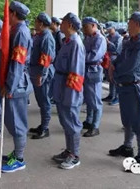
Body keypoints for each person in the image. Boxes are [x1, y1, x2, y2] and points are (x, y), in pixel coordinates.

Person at [108, 12, 140, 168]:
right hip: (125, 86)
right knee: (127, 119)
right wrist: (114, 65)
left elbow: (131, 65)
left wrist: (116, 70)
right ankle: (127, 147)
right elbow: (121, 57)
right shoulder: (130, 41)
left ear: (137, 24)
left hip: (136, 87)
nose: (128, 24)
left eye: (130, 22)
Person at [1, 1, 33, 173]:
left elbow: (18, 62)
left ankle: (19, 158)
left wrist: (10, 85)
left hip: (17, 84)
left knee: (17, 122)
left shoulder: (21, 32)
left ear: (13, 14)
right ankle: (16, 152)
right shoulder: (17, 30)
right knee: (12, 120)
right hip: (14, 82)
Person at [51, 12, 85, 170]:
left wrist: (71, 95)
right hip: (61, 85)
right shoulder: (67, 41)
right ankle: (69, 150)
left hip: (69, 88)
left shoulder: (76, 43)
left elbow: (76, 72)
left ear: (70, 25)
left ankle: (75, 155)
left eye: (63, 22)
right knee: (65, 122)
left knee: (72, 122)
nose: (60, 24)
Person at [29, 12, 56, 139]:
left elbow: (46, 58)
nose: (35, 24)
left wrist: (42, 74)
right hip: (36, 71)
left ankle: (45, 128)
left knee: (44, 101)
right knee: (41, 101)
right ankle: (42, 125)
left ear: (41, 23)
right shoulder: (40, 35)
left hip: (42, 72)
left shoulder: (47, 36)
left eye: (36, 21)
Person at [81, 17, 107, 137]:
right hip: (86, 70)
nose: (84, 30)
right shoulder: (88, 38)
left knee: (95, 100)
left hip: (94, 70)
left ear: (93, 25)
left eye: (86, 27)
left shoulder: (100, 39)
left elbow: (94, 56)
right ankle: (89, 121)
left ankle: (95, 126)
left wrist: (79, 58)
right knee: (88, 98)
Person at [103, 22, 122, 105]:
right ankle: (111, 95)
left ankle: (117, 97)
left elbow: (117, 49)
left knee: (114, 78)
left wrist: (109, 43)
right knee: (109, 78)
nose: (109, 31)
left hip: (114, 57)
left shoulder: (118, 37)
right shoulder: (108, 37)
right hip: (108, 57)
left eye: (110, 29)